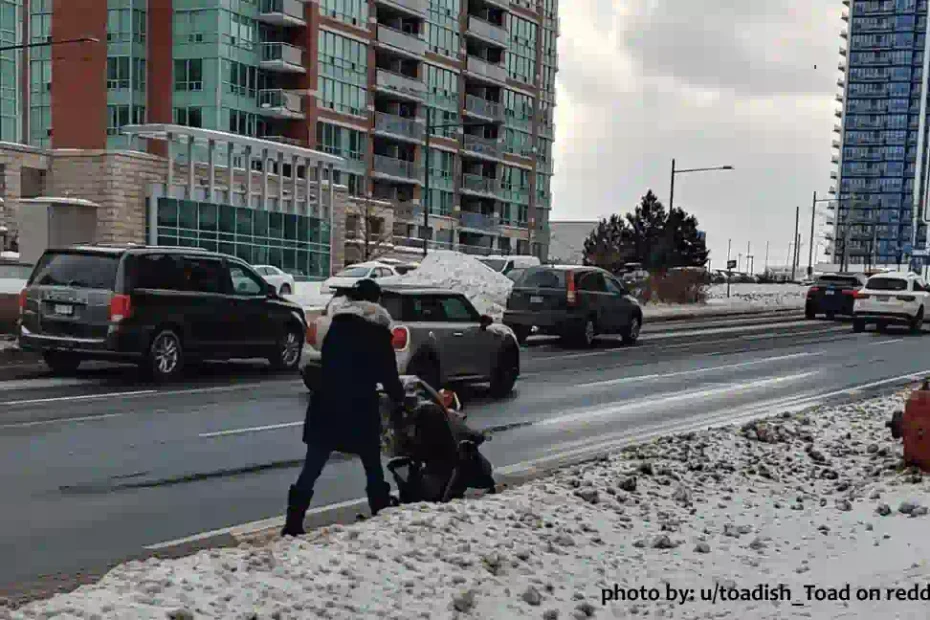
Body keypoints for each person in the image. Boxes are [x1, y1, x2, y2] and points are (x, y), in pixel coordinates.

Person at [282, 278, 405, 537]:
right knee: (372, 462)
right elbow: (389, 376)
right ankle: (381, 512)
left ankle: (293, 522)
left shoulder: (337, 325)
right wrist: (399, 399)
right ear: (376, 301)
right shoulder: (379, 332)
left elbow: (329, 360)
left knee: (313, 465)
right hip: (360, 406)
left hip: (326, 403)